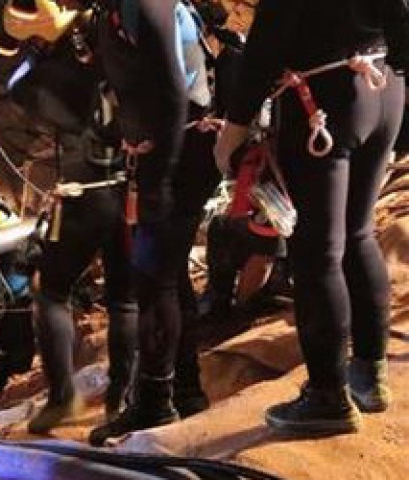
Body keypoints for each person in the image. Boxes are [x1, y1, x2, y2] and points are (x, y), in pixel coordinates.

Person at [215, 0, 406, 434]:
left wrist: (235, 127)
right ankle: (369, 372)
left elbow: (267, 39)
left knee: (316, 252)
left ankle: (327, 397)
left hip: (325, 95)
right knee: (358, 233)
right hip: (384, 87)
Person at [0, 21, 139, 432]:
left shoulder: (61, 69)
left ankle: (62, 398)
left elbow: (17, 87)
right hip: (130, 188)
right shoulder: (126, 53)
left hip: (85, 194)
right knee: (125, 299)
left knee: (52, 292)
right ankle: (121, 397)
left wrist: (38, 51)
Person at [85, 0, 217, 446]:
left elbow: (175, 90)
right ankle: (185, 388)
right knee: (168, 273)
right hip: (174, 150)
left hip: (179, 153)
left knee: (153, 277)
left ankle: (156, 401)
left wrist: (159, 175)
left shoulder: (145, 4)